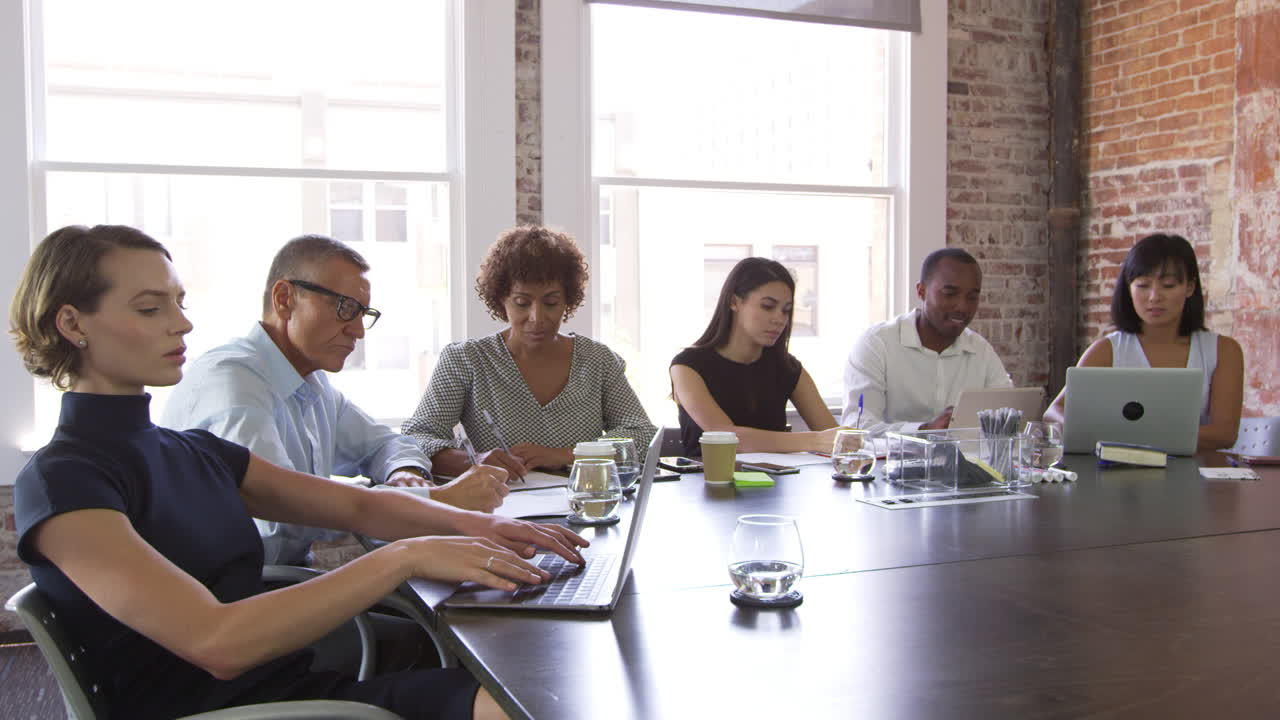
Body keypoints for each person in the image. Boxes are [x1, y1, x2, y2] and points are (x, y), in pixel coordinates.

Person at [11, 224, 588, 720]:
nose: (181, 325)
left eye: (179, 302)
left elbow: (360, 507)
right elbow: (217, 641)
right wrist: (407, 555)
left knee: (539, 690)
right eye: (149, 308)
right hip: (234, 709)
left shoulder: (193, 450)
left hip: (288, 686)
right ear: (72, 323)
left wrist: (493, 531)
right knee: (526, 701)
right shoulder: (64, 479)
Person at [162, 234, 509, 568]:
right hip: (243, 597)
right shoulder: (232, 381)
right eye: (346, 308)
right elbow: (282, 517)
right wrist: (434, 502)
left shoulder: (312, 383)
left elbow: (386, 443)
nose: (358, 331)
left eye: (363, 314)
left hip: (292, 580)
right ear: (285, 299)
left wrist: (406, 473)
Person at [403, 226, 655, 478]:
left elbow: (642, 434)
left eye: (551, 303)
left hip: (585, 502)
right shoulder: (467, 360)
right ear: (501, 299)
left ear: (568, 300)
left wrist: (569, 454)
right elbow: (417, 436)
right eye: (522, 303)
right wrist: (473, 461)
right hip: (497, 505)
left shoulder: (597, 361)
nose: (537, 317)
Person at [1044, 233, 1243, 451]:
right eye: (1143, 285)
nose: (1154, 297)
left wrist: (1130, 437)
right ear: (1129, 289)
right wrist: (1082, 430)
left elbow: (1225, 434)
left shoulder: (1223, 350)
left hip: (1198, 473)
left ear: (1190, 287)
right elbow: (1054, 413)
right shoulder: (1107, 350)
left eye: (1168, 285)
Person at [669, 257, 840, 456]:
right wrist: (814, 441)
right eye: (767, 306)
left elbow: (833, 436)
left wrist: (848, 441)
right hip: (707, 482)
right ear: (734, 302)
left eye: (786, 310)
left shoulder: (787, 367)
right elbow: (727, 438)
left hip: (777, 484)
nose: (779, 319)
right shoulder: (687, 366)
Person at [841, 247, 1012, 436]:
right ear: (921, 291)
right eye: (950, 294)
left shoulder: (980, 350)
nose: (963, 307)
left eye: (972, 297)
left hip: (964, 463)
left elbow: (1009, 415)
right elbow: (857, 429)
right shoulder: (877, 344)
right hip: (888, 464)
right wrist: (925, 430)